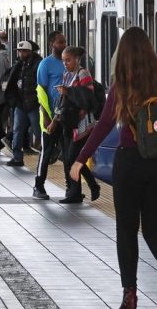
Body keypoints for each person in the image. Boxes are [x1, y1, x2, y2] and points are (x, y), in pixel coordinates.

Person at [70, 27, 157, 309]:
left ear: (123, 54)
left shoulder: (122, 86)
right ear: (151, 52)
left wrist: (81, 158)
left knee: (127, 230)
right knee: (154, 229)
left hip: (130, 163)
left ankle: (130, 294)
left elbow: (103, 125)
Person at [54, 46, 100, 203]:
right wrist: (55, 119)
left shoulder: (83, 74)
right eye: (63, 61)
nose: (66, 64)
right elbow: (63, 101)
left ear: (77, 59)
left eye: (68, 60)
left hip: (83, 124)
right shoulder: (67, 75)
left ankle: (84, 189)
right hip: (69, 122)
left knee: (73, 157)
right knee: (69, 157)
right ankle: (80, 191)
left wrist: (68, 92)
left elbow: (87, 96)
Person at [33, 30, 66, 199]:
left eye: (64, 41)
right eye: (60, 42)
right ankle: (38, 186)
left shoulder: (68, 62)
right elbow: (41, 91)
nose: (64, 44)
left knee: (68, 152)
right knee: (46, 152)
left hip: (65, 116)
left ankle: (72, 188)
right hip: (50, 116)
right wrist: (46, 115)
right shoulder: (45, 64)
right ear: (52, 44)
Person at [4, 40, 42, 167]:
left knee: (38, 130)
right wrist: (13, 101)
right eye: (20, 51)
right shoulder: (18, 65)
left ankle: (46, 155)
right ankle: (17, 158)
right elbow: (12, 83)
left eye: (24, 51)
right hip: (20, 104)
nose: (21, 53)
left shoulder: (38, 64)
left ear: (31, 51)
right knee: (17, 130)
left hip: (34, 104)